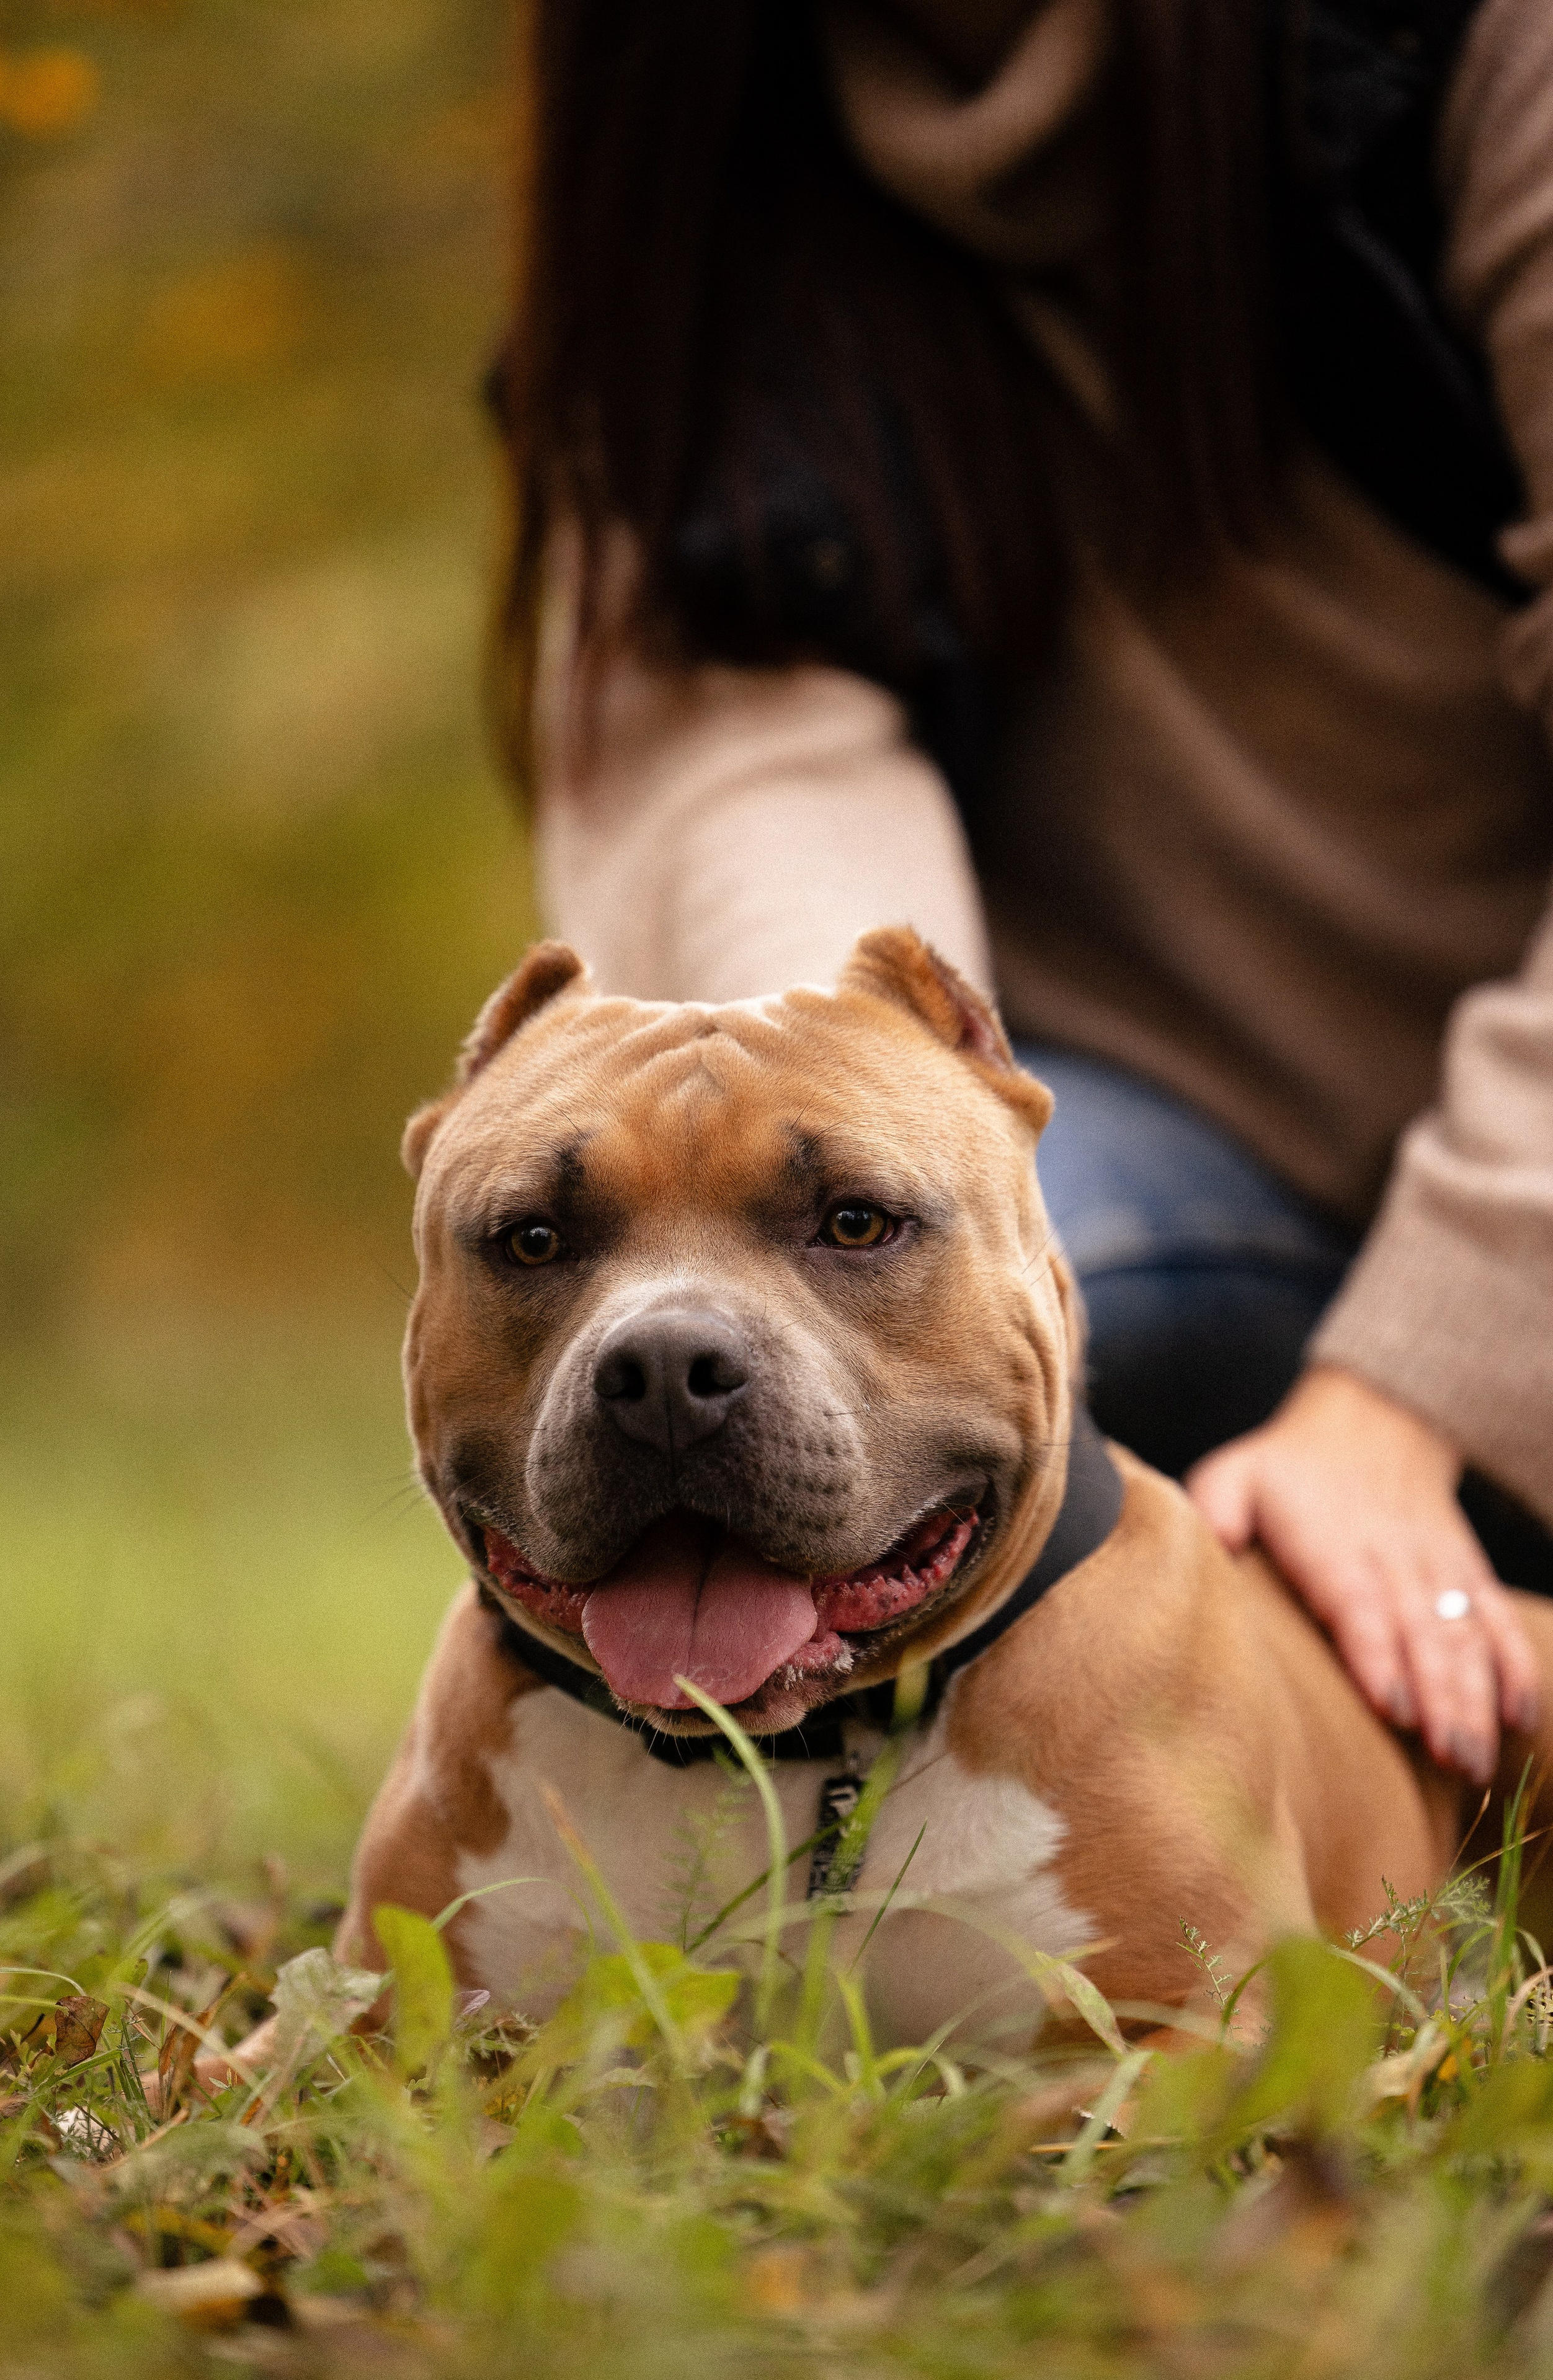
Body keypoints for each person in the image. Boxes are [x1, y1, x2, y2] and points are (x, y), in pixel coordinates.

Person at [489, 0, 1553, 1788]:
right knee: (913, 1352)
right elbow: (740, 748)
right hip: (1160, 1183)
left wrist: (1407, 1404)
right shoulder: (686, 116)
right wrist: (856, 1173)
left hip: (1503, 1201)